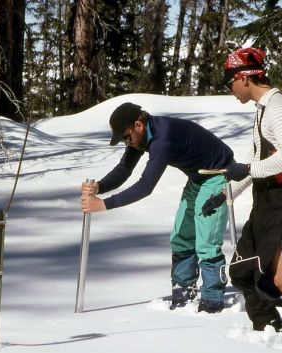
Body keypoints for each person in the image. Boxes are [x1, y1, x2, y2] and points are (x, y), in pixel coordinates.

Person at [206, 47, 282, 350]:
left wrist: (249, 168)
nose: (229, 89)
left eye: (229, 81)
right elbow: (254, 162)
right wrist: (225, 194)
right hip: (264, 200)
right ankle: (268, 327)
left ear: (244, 77)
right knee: (242, 270)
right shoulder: (263, 109)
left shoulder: (278, 108)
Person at [80, 102, 235, 313]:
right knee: (181, 237)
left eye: (126, 137)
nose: (127, 143)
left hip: (217, 177)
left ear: (138, 125)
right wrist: (101, 186)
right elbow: (124, 170)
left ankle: (212, 301)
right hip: (197, 179)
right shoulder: (142, 138)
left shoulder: (162, 140)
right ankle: (183, 291)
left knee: (206, 241)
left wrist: (105, 204)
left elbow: (146, 186)